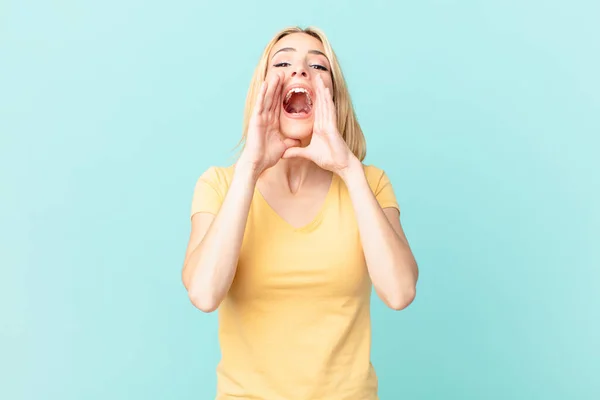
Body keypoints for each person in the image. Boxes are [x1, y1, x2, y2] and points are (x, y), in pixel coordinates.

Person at [182, 26, 419, 400]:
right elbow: (204, 294)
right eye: (283, 62)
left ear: (334, 98)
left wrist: (348, 169)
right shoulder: (218, 185)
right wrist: (250, 167)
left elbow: (400, 291)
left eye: (318, 66)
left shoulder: (369, 183)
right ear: (262, 92)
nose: (300, 70)